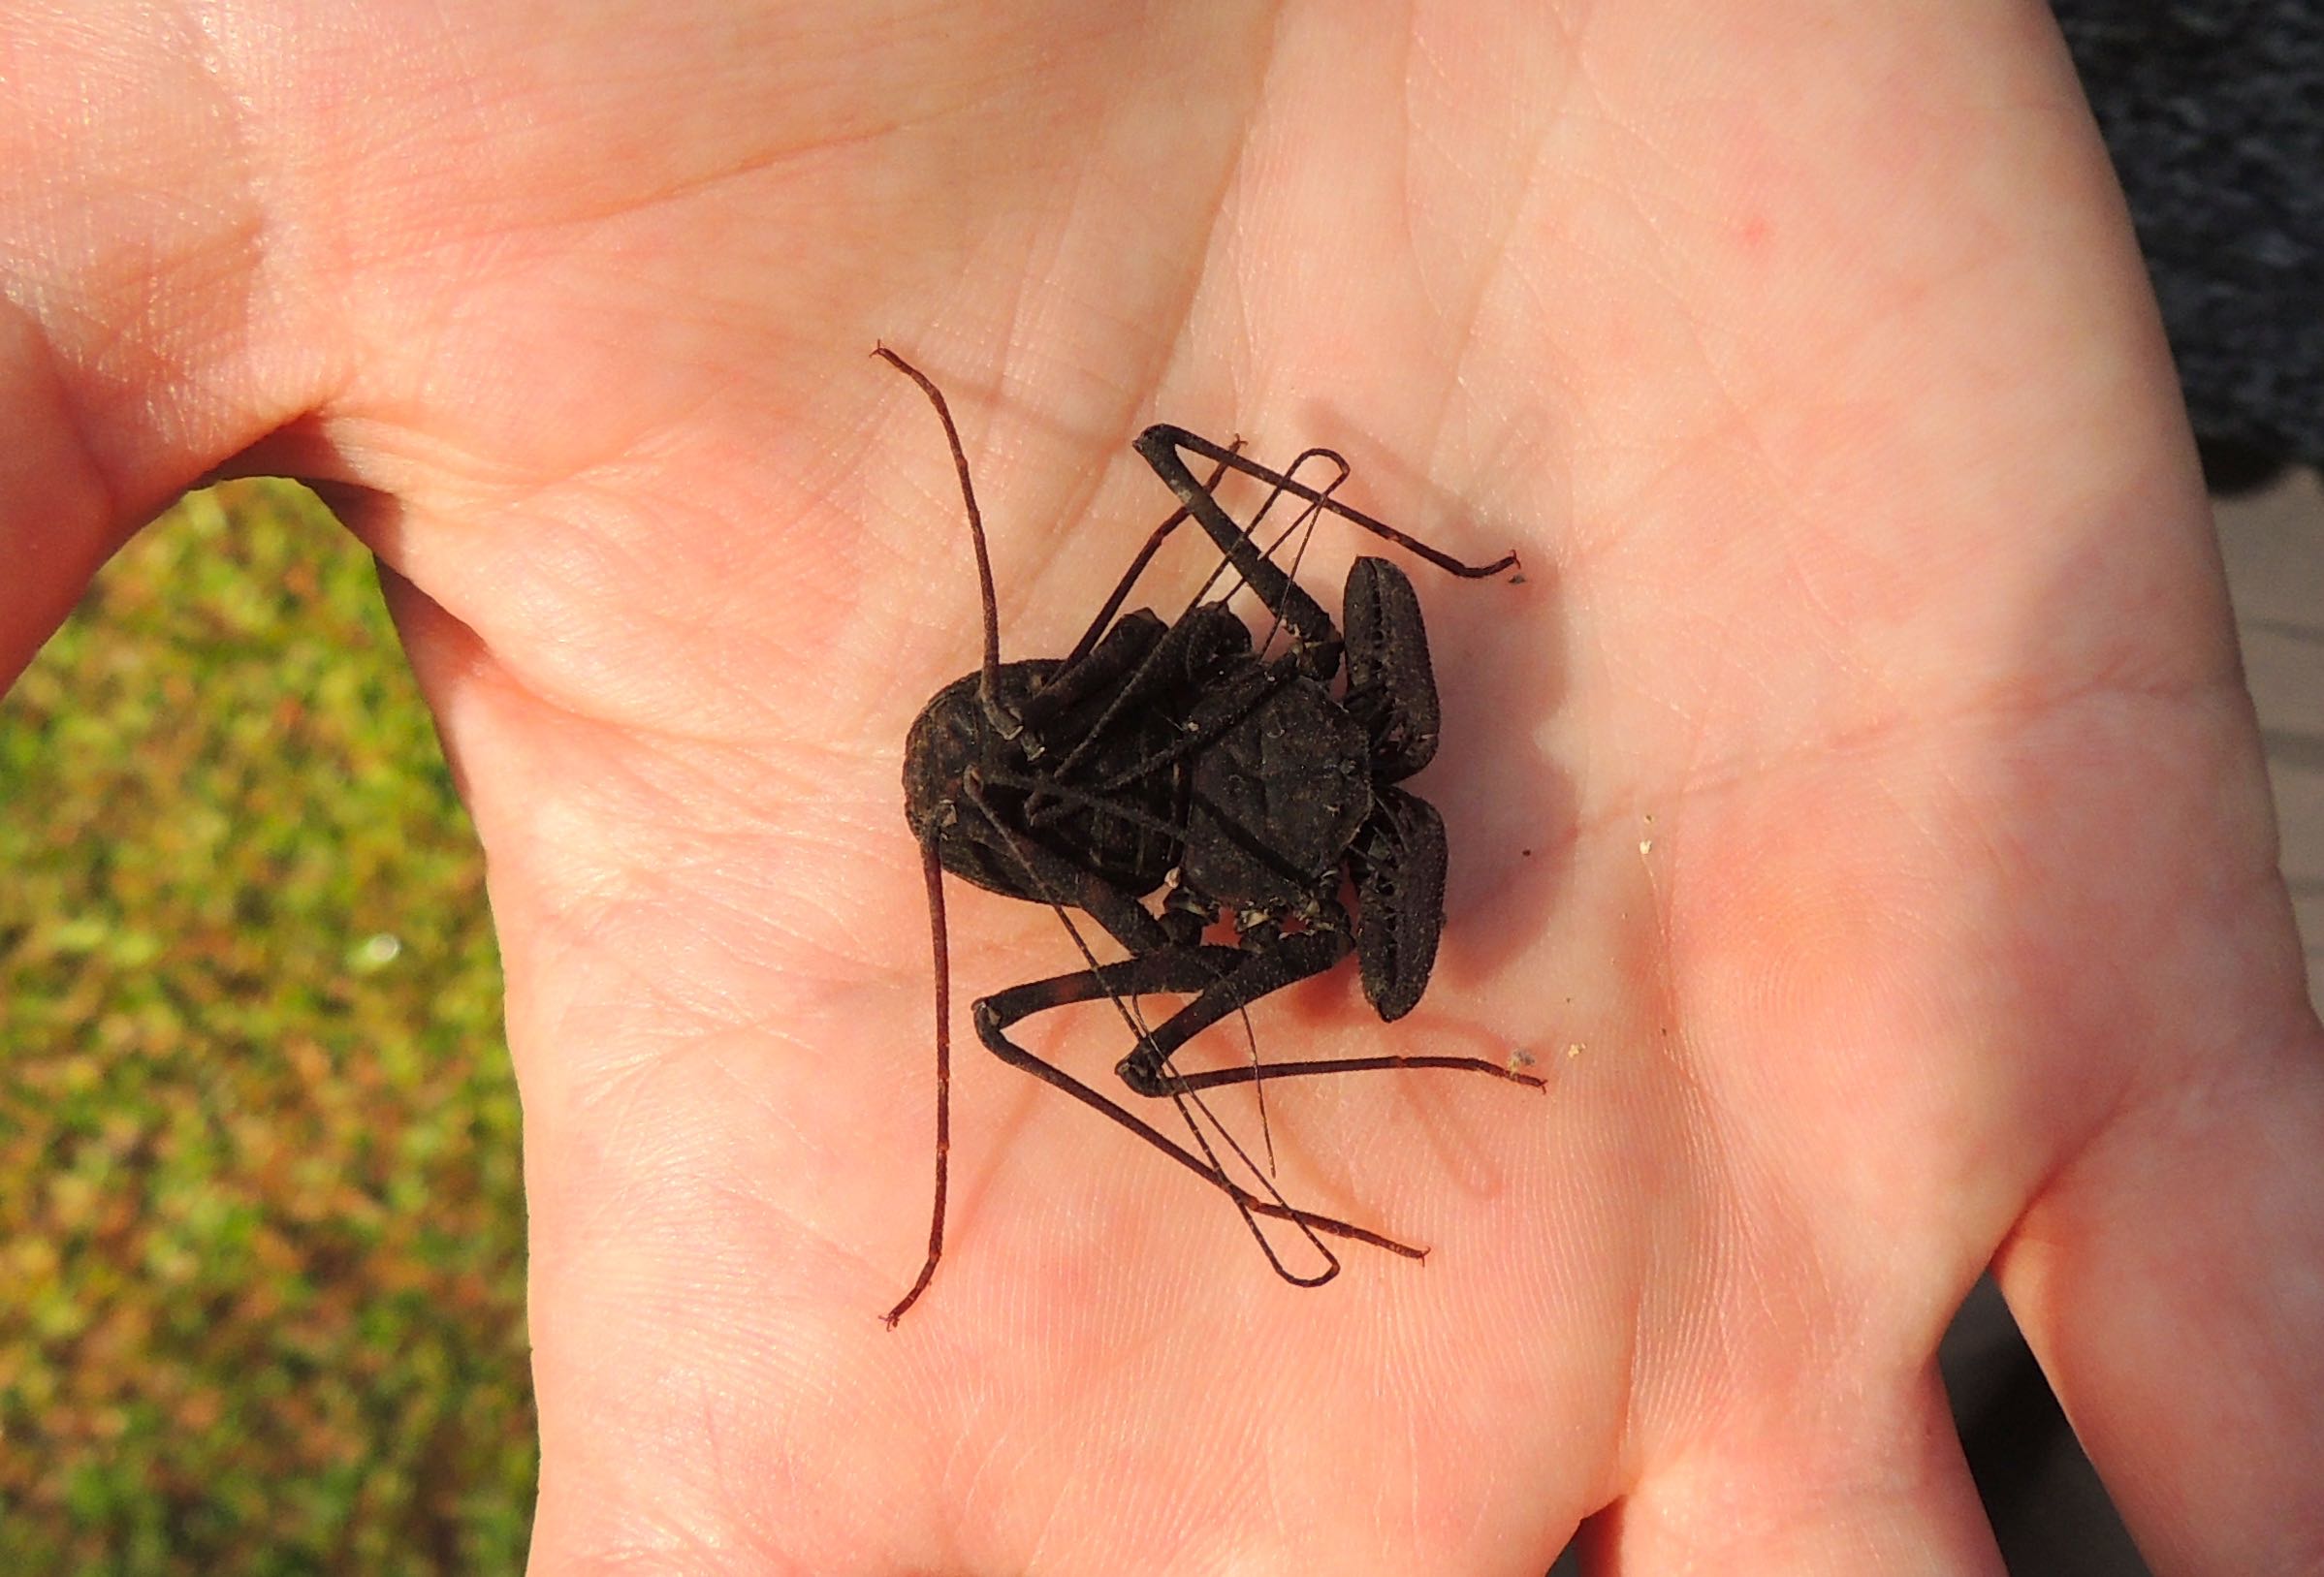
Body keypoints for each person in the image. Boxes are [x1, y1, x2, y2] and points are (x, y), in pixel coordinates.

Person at [4, 5, 2317, 1570]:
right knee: (1091, 964)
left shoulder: (1313, 751)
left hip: (1236, 744)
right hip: (1099, 794)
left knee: (1203, 617)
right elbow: (1120, 890)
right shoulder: (1251, 855)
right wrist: (1236, 1018)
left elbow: (1204, 522)